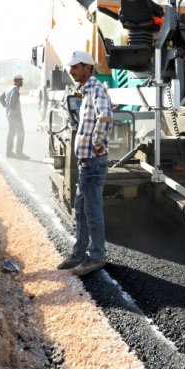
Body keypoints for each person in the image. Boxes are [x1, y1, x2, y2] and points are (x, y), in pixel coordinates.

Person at [56, 51, 113, 276]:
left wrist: (97, 143)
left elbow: (106, 116)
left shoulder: (96, 88)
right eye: (71, 68)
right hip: (86, 163)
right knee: (80, 208)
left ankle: (97, 256)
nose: (71, 71)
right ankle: (79, 252)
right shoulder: (87, 89)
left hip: (93, 162)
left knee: (92, 209)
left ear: (88, 68)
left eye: (76, 67)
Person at [0, 74, 28, 159]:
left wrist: (6, 107)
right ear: (17, 81)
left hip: (9, 115)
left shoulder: (9, 88)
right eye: (21, 80)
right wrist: (12, 109)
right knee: (21, 134)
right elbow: (12, 101)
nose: (22, 82)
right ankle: (19, 153)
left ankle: (9, 152)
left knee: (11, 133)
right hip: (15, 116)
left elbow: (1, 98)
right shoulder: (15, 89)